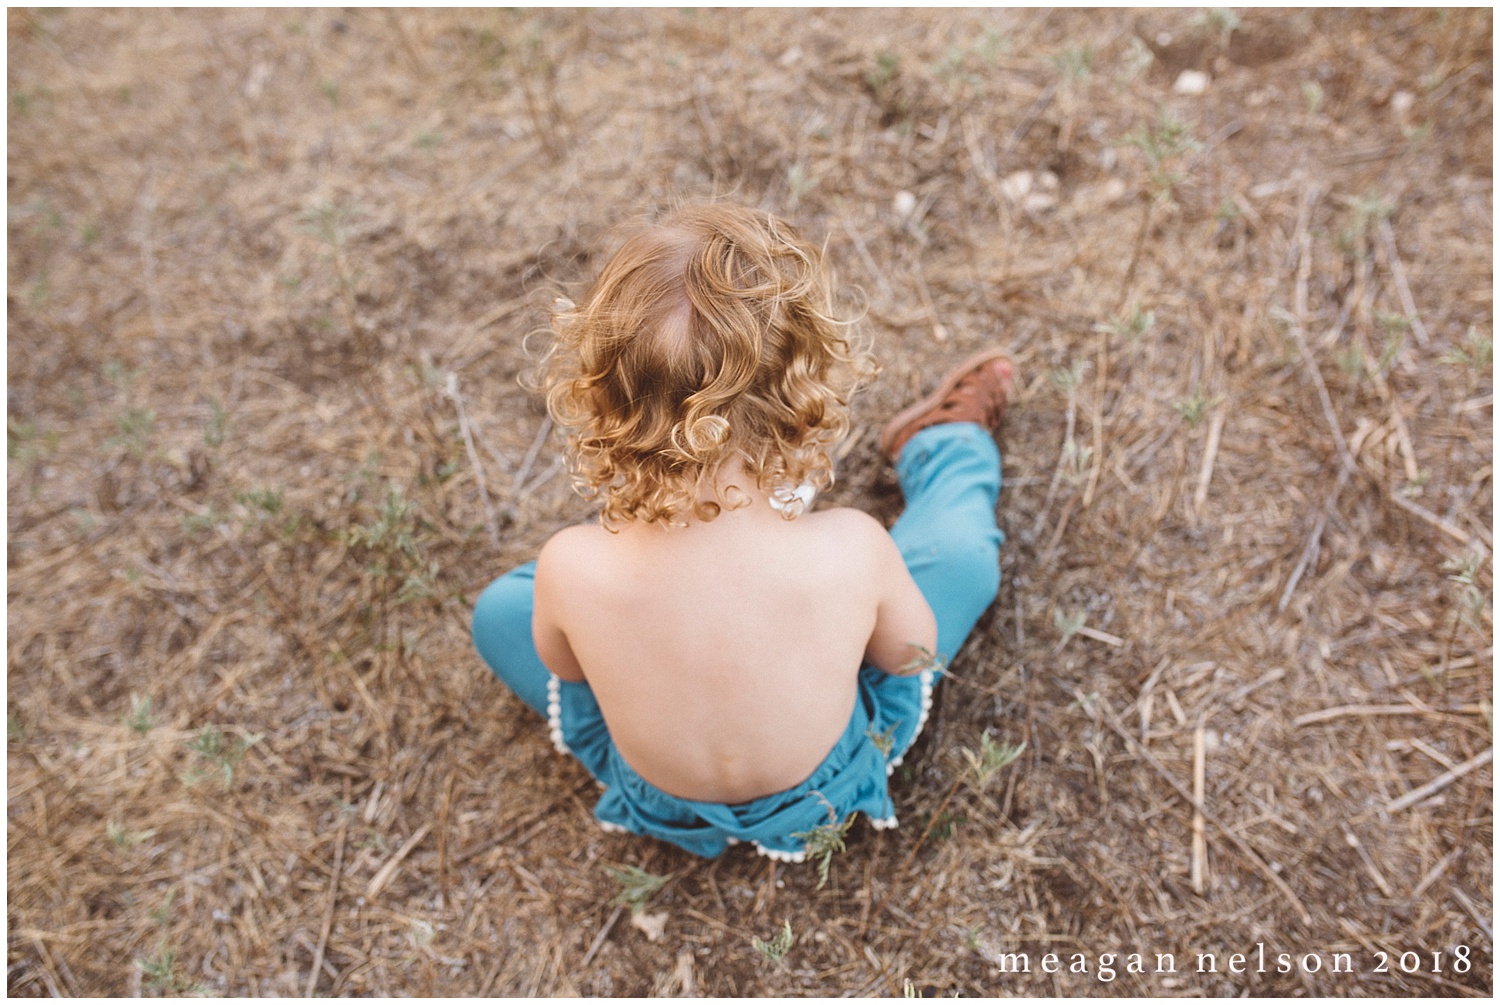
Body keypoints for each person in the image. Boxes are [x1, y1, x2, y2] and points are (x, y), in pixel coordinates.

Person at [471, 204, 1013, 862]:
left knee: (501, 609)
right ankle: (946, 446)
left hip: (658, 792)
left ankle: (678, 519)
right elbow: (906, 658)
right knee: (962, 560)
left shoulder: (571, 563)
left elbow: (564, 667)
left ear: (603, 400)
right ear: (803, 394)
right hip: (822, 787)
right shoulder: (850, 547)